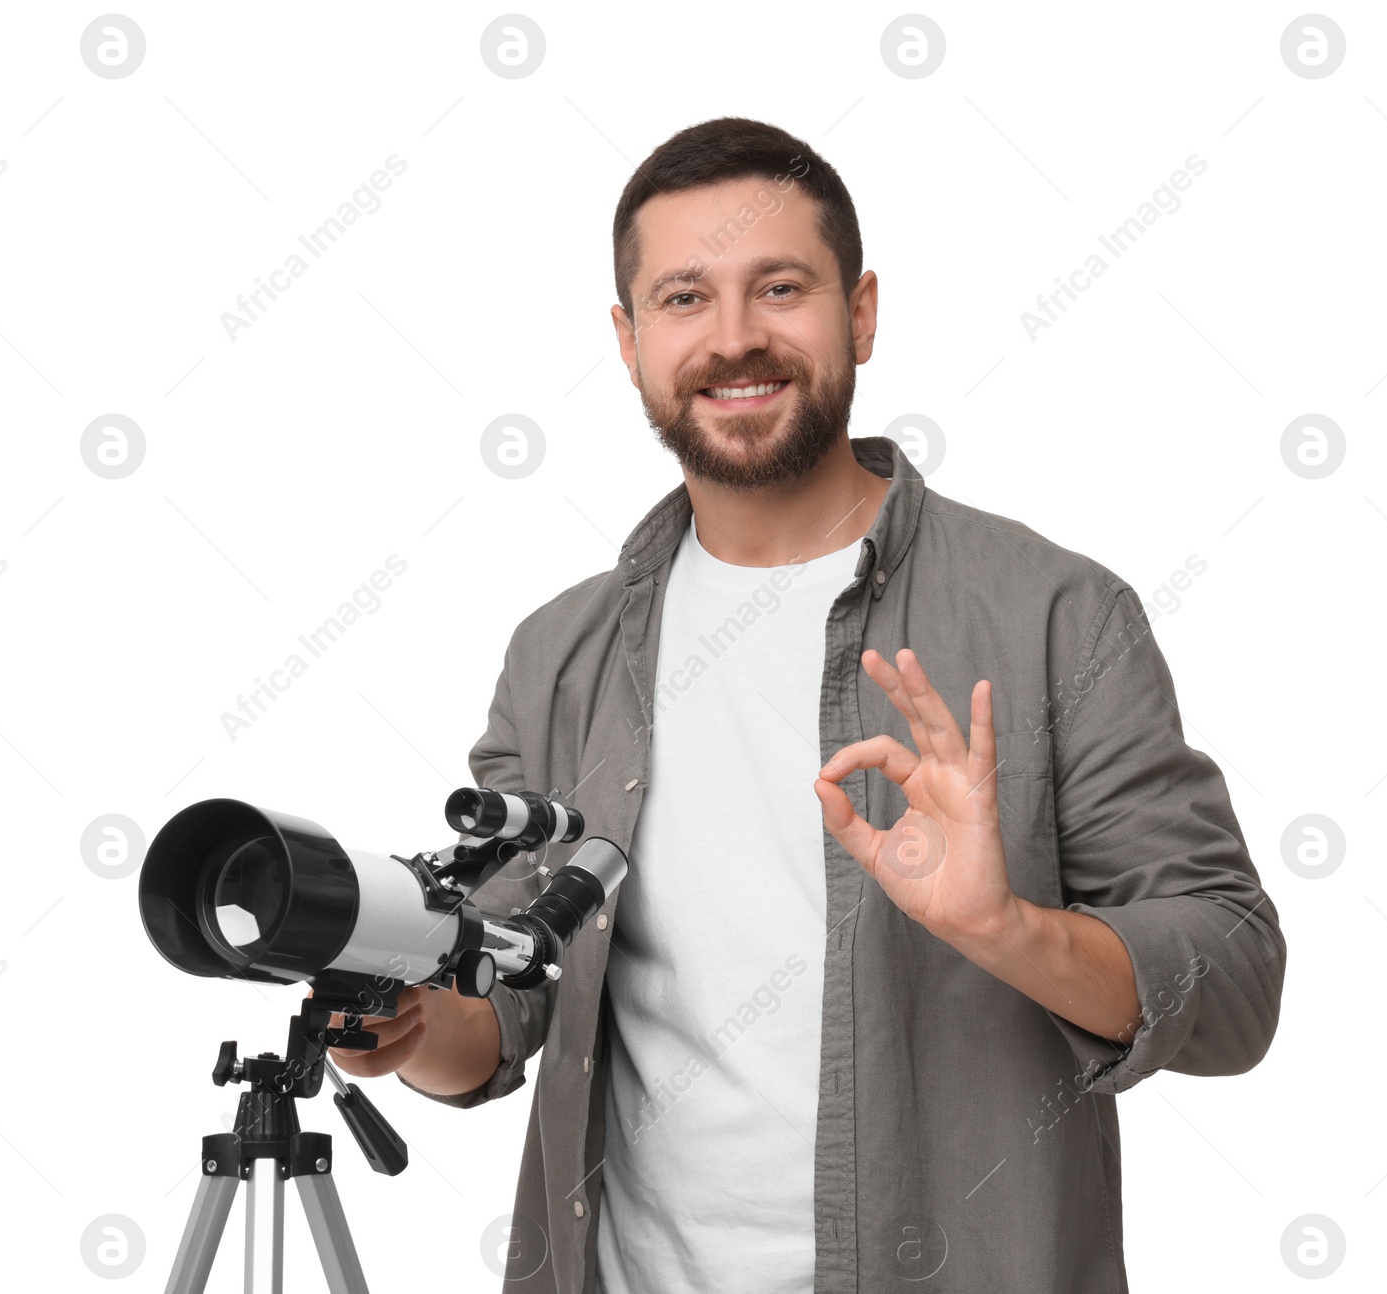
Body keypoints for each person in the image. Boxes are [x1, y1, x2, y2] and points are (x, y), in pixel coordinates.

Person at [329, 116, 1286, 1294]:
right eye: (684, 298)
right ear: (628, 343)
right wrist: (415, 1024)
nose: (734, 338)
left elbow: (1235, 987)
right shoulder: (559, 653)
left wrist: (1010, 930)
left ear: (862, 313)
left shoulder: (1057, 615)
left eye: (778, 287)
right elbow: (508, 1005)